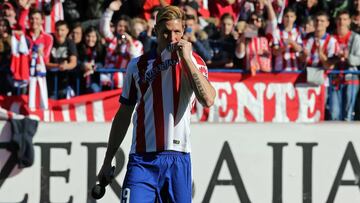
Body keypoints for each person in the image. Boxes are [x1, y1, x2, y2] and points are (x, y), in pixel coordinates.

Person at [97, 3, 216, 203]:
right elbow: (123, 115)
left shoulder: (195, 62)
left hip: (178, 159)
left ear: (184, 31)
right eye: (166, 32)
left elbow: (208, 99)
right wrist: (108, 159)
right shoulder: (137, 65)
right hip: (142, 161)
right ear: (155, 31)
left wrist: (186, 59)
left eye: (177, 32)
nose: (172, 38)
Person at [329, 10, 360, 121]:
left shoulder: (355, 38)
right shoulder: (331, 38)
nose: (342, 22)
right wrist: (335, 57)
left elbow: (359, 59)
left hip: (351, 78)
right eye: (339, 19)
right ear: (336, 21)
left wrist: (348, 57)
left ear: (349, 21)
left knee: (348, 113)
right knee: (334, 113)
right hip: (334, 78)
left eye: (345, 19)